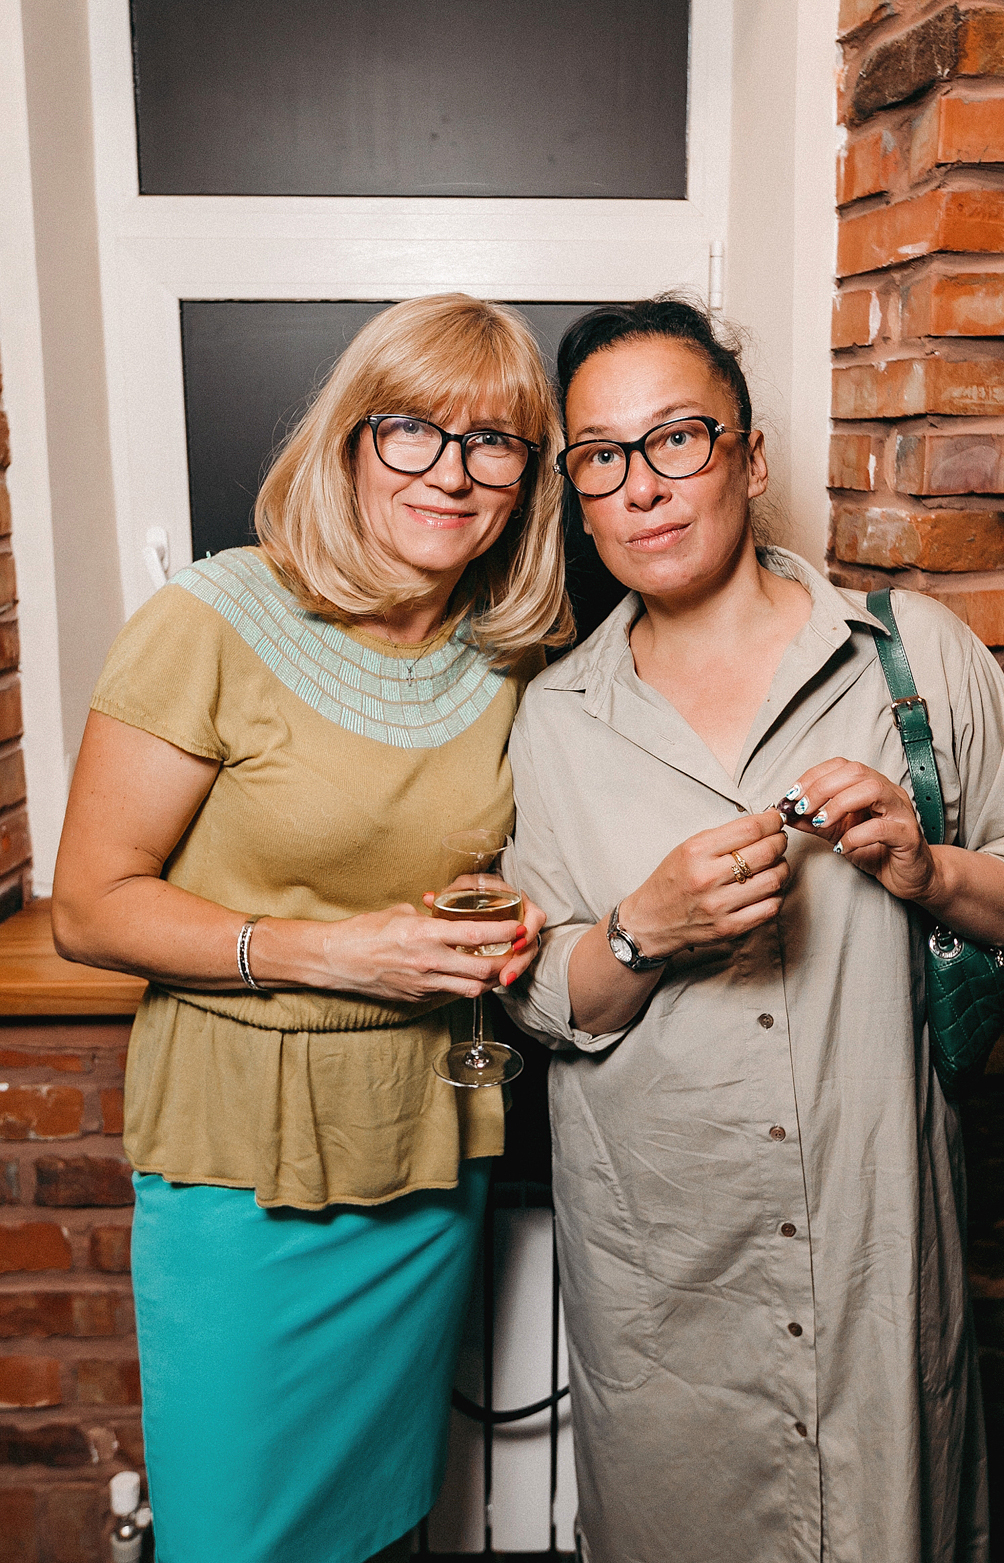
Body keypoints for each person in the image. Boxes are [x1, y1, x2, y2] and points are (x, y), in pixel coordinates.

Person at [503, 297, 1004, 1563]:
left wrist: (928, 869)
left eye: (677, 438)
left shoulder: (908, 655)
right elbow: (539, 999)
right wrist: (642, 929)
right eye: (601, 457)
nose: (642, 486)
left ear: (750, 458)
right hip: (665, 1288)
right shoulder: (554, 716)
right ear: (578, 496)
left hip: (872, 1265)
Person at [51, 295, 570, 1563]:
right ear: (349, 442)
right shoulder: (213, 617)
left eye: (492, 443)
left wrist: (521, 921)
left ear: (526, 478)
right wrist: (330, 951)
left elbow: (494, 864)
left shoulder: (512, 652)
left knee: (378, 1523)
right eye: (412, 431)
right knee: (236, 1535)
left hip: (426, 1132)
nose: (450, 473)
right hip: (243, 1151)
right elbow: (89, 907)